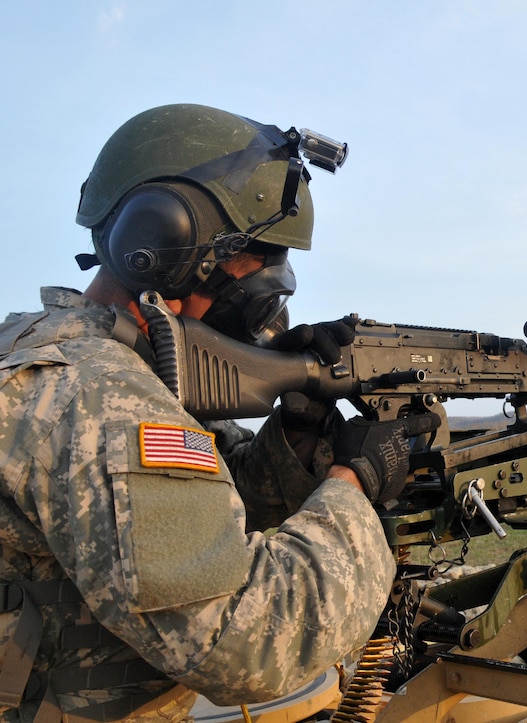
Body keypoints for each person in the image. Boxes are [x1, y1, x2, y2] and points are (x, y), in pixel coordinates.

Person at [0, 104, 435, 722]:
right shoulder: (99, 393)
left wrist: (294, 436)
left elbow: (189, 516)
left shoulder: (50, 346)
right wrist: (353, 487)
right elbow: (247, 642)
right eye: (257, 255)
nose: (272, 282)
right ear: (165, 242)